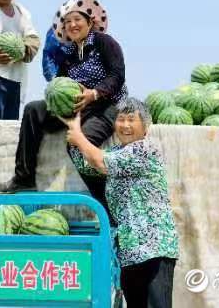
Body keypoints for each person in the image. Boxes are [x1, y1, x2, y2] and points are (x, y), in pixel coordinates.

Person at [0, 0, 127, 215]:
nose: (72, 25)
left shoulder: (105, 43)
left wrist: (94, 94)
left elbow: (117, 75)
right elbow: (61, 83)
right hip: (74, 107)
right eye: (68, 22)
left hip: (104, 107)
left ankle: (105, 201)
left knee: (77, 143)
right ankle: (24, 179)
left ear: (90, 22)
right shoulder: (69, 53)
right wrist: (57, 96)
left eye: (78, 20)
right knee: (34, 110)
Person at [64, 98, 180, 308]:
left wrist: (79, 137)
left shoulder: (145, 150)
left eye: (131, 120)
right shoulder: (118, 151)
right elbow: (87, 164)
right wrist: (74, 129)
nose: (125, 125)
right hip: (129, 250)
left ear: (145, 127)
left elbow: (101, 162)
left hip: (153, 248)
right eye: (120, 119)